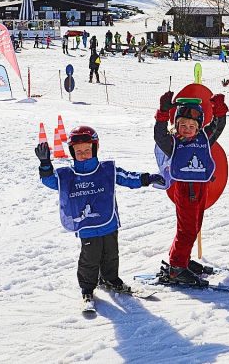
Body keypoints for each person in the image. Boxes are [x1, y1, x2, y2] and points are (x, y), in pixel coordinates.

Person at [36, 127, 165, 310]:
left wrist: (146, 178)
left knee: (111, 254)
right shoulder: (69, 176)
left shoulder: (106, 170)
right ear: (72, 152)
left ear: (95, 149)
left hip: (109, 222)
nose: (84, 155)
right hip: (87, 227)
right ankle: (87, 289)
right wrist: (45, 164)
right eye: (79, 152)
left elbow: (127, 177)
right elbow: (50, 181)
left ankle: (110, 279)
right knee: (90, 258)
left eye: (87, 150)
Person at [153, 93, 228, 285]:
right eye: (183, 125)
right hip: (186, 190)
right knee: (186, 229)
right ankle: (177, 268)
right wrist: (163, 112)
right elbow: (159, 135)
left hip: (200, 188)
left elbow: (217, 127)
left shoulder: (204, 138)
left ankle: (181, 260)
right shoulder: (174, 143)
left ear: (199, 126)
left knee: (194, 226)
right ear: (177, 125)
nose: (187, 130)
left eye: (192, 126)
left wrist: (219, 109)